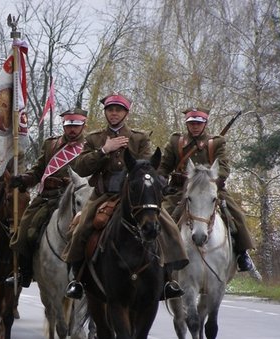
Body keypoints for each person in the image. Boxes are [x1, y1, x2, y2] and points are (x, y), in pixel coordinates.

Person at [63, 94, 188, 300]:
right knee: (81, 227)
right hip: (103, 195)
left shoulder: (139, 138)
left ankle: (168, 279)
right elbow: (80, 167)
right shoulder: (94, 139)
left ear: (126, 113)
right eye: (110, 110)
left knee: (167, 226)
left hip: (134, 196)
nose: (114, 113)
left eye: (118, 110)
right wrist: (104, 150)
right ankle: (77, 280)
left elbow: (146, 166)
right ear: (105, 112)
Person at [158, 107, 256, 273]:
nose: (195, 126)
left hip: (211, 188)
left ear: (205, 124)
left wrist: (212, 181)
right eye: (192, 123)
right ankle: (158, 257)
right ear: (187, 124)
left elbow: (224, 167)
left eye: (198, 123)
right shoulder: (176, 142)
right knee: (164, 216)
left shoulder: (216, 142)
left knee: (236, 215)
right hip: (180, 191)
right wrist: (161, 182)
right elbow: (164, 166)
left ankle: (242, 254)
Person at [8, 108, 88, 287]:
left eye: (76, 125)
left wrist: (68, 182)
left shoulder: (90, 147)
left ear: (83, 125)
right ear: (64, 125)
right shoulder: (51, 144)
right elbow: (38, 171)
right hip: (49, 197)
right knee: (25, 232)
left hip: (76, 198)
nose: (72, 130)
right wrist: (23, 179)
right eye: (69, 125)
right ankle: (25, 272)